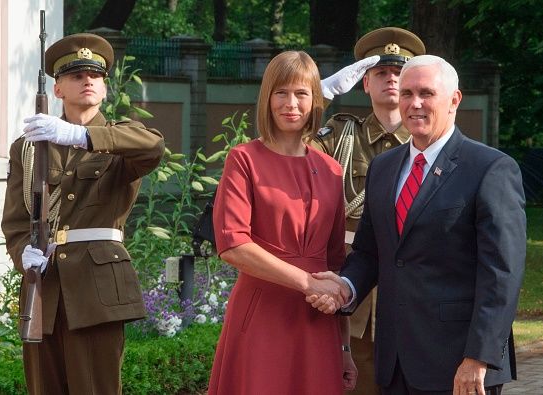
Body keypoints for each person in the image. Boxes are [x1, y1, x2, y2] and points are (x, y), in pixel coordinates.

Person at [309, 55, 526, 395]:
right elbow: (370, 251)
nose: (415, 104)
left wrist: (479, 359)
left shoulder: (490, 169)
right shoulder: (384, 167)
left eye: (426, 93)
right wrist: (345, 287)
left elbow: (502, 276)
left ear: (454, 100)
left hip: (460, 364)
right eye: (407, 93)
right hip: (394, 361)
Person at [1, 33, 165, 394]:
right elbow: (15, 222)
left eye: (95, 76)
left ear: (105, 89)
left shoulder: (118, 139)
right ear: (57, 89)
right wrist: (22, 256)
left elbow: (153, 146)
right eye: (76, 76)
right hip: (44, 289)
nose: (87, 81)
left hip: (97, 293)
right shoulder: (29, 149)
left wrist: (80, 136)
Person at [207, 50, 357, 394]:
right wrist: (307, 282)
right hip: (262, 314)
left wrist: (345, 347)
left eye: (302, 94)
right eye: (281, 92)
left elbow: (335, 263)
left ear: (315, 101)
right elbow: (233, 245)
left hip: (317, 319)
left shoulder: (332, 170)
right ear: (267, 98)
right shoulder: (243, 159)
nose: (291, 103)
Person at [311, 26, 426, 394]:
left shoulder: (430, 143)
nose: (391, 80)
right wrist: (319, 97)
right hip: (353, 287)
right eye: (380, 73)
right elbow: (284, 146)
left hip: (414, 290)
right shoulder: (341, 136)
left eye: (399, 73)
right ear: (364, 83)